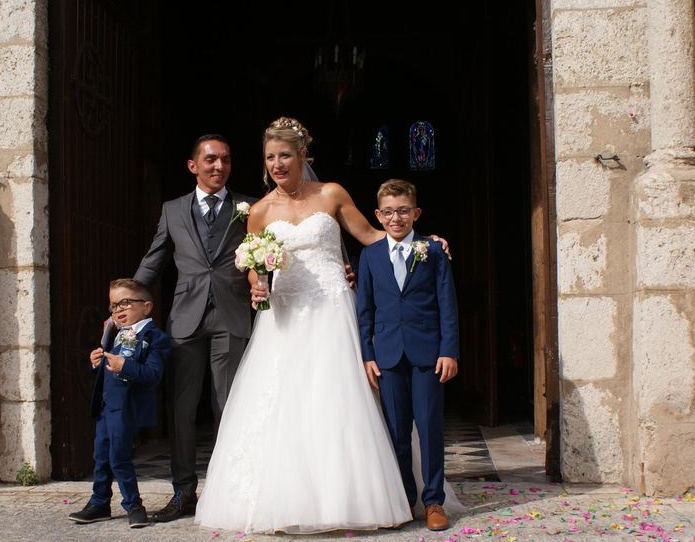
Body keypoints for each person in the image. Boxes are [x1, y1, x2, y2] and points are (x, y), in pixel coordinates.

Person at [195, 117, 427, 534]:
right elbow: (252, 264)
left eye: (285, 155)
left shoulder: (331, 193)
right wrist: (256, 285)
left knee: (337, 399)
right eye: (270, 158)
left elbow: (372, 236)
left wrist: (423, 244)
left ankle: (354, 497)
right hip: (283, 315)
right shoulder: (260, 211)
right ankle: (287, 501)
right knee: (284, 402)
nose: (277, 165)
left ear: (303, 155)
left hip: (333, 309)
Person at [132, 134, 258, 522]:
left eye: (225, 160)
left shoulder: (247, 207)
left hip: (233, 313)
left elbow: (269, 252)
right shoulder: (172, 210)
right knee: (182, 410)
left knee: (228, 406)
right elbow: (154, 260)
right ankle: (183, 492)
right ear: (193, 166)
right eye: (210, 160)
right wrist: (126, 304)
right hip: (185, 318)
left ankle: (228, 492)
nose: (218, 166)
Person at [355, 179, 459, 531]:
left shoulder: (432, 251)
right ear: (378, 215)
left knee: (429, 427)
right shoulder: (369, 256)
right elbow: (364, 309)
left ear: (415, 213)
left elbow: (447, 304)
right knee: (396, 431)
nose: (395, 218)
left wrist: (449, 350)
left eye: (402, 211)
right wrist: (368, 354)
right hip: (387, 354)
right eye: (388, 211)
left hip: (427, 352)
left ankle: (433, 502)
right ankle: (403, 498)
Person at [69, 278, 170, 529]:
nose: (118, 310)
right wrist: (97, 365)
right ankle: (99, 502)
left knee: (119, 456)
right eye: (114, 305)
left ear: (146, 307)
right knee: (100, 455)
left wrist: (125, 365)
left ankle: (134, 504)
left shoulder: (154, 337)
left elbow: (153, 374)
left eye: (125, 303)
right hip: (106, 406)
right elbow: (109, 367)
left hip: (126, 407)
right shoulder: (114, 334)